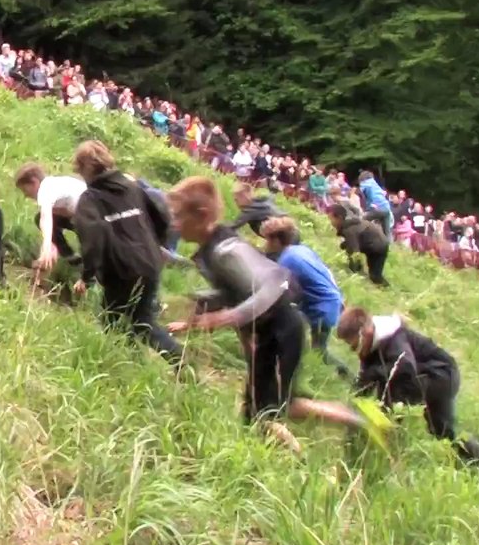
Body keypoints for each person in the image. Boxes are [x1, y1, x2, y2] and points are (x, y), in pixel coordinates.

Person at [164, 177, 388, 453]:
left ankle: (358, 423)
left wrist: (222, 318)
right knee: (261, 412)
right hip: (272, 334)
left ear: (201, 215)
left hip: (281, 331)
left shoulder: (226, 250)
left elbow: (271, 286)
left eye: (178, 216)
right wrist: (196, 316)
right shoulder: (213, 248)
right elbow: (238, 291)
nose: (174, 224)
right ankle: (291, 454)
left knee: (278, 408)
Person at [337, 307, 479, 483]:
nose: (352, 349)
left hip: (440, 376)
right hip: (434, 376)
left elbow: (405, 366)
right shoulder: (374, 344)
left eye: (351, 343)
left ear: (365, 332)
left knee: (391, 403)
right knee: (444, 431)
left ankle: (387, 454)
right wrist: (352, 402)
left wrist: (373, 378)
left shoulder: (393, 339)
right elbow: (366, 381)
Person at [69, 141, 184, 366]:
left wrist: (87, 276)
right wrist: (154, 245)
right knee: (139, 320)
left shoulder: (91, 198)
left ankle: (116, 365)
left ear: (85, 168)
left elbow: (92, 240)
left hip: (121, 269)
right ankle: (140, 363)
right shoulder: (132, 187)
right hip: (150, 263)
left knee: (116, 319)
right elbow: (162, 217)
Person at [259, 217, 352, 378]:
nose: (265, 244)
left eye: (267, 240)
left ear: (276, 240)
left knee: (319, 349)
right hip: (330, 300)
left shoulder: (287, 260)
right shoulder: (301, 250)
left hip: (322, 308)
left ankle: (350, 376)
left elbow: (281, 290)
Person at [15, 163, 87, 274]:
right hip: (84, 213)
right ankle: (71, 257)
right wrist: (52, 243)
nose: (26, 195)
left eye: (25, 190)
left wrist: (46, 245)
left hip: (93, 218)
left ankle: (90, 272)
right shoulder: (54, 184)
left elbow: (45, 217)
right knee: (40, 218)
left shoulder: (45, 189)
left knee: (41, 218)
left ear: (34, 182)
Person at [329, 204, 391, 287]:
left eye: (331, 219)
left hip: (378, 247)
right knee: (372, 274)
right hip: (374, 244)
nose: (331, 222)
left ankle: (385, 288)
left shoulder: (349, 230)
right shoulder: (349, 225)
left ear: (339, 218)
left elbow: (355, 252)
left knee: (375, 276)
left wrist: (352, 270)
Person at [357, 171, 394, 239]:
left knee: (362, 220)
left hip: (377, 207)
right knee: (387, 231)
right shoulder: (375, 184)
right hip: (386, 208)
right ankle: (389, 245)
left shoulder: (365, 184)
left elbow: (360, 194)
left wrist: (367, 207)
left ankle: (357, 238)